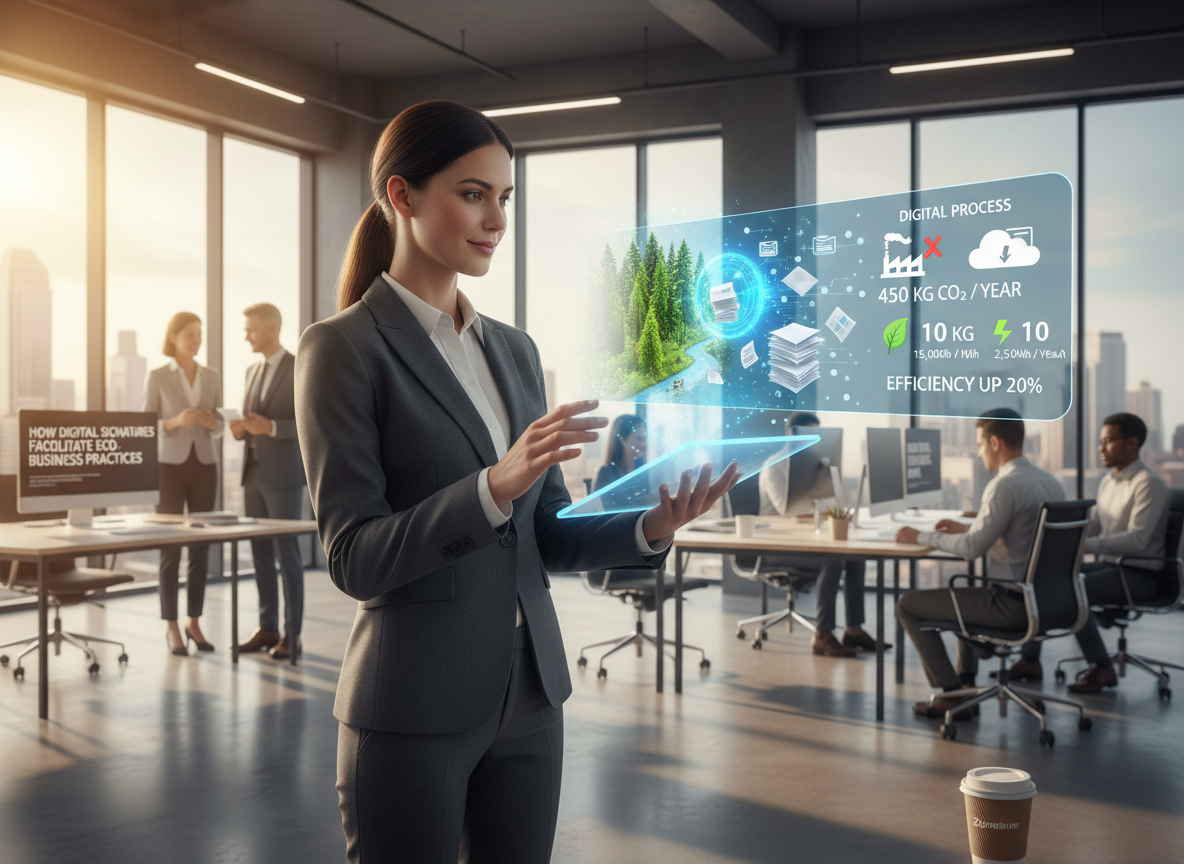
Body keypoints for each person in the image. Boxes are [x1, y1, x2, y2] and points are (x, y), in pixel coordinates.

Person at [295, 100, 739, 864]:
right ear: (402, 196)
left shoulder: (515, 352)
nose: (495, 218)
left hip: (532, 700)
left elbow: (547, 535)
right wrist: (490, 488)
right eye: (473, 193)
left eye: (504, 198)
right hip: (413, 706)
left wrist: (649, 527)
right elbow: (354, 558)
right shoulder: (342, 348)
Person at [894, 409, 1064, 720]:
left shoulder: (1004, 485)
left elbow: (972, 549)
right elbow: (1022, 533)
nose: (978, 451)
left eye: (980, 444)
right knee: (966, 596)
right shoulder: (1048, 481)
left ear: (995, 443)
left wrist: (922, 536)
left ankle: (949, 696)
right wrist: (974, 525)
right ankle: (965, 685)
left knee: (908, 605)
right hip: (1047, 601)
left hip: (1012, 604)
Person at [1011, 412, 1170, 693]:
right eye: (1100, 441)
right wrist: (1065, 538)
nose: (1100, 448)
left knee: (1074, 590)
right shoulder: (1110, 480)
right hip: (1112, 568)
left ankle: (1102, 669)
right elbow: (1094, 524)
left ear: (1132, 443)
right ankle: (1030, 660)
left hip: (1140, 575)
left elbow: (1138, 541)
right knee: (1041, 580)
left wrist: (1086, 546)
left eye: (1108, 441)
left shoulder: (1149, 483)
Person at [757, 412, 876, 657]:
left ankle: (853, 629)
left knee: (855, 558)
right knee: (833, 560)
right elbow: (786, 510)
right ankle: (822, 636)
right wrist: (825, 512)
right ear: (791, 434)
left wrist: (839, 513)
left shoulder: (815, 467)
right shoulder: (774, 466)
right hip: (774, 547)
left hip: (803, 540)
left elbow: (830, 503)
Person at [143, 311, 224, 655]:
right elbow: (147, 423)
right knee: (170, 547)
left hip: (204, 464)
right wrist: (174, 421)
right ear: (173, 337)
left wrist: (211, 421)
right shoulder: (158, 376)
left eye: (199, 334)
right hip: (169, 468)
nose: (197, 340)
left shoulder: (211, 375)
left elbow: (221, 423)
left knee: (200, 547)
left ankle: (194, 621)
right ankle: (171, 625)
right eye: (190, 334)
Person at [230, 303, 306, 661]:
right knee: (260, 555)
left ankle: (293, 634)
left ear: (272, 329)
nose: (246, 335)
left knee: (287, 557)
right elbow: (252, 422)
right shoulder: (250, 371)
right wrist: (242, 429)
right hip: (253, 475)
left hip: (284, 477)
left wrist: (272, 427)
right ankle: (268, 628)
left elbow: (312, 421)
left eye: (251, 329)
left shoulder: (300, 366)